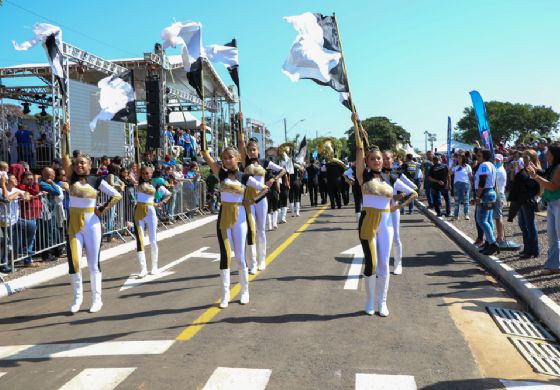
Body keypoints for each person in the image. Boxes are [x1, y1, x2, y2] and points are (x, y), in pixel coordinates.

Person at [200, 122, 270, 308]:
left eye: (230, 157)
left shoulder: (245, 177)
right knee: (225, 255)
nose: (226, 160)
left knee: (240, 256)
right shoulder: (220, 174)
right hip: (223, 217)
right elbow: (205, 155)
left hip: (240, 217)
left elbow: (264, 189)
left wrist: (251, 201)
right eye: (224, 158)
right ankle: (225, 294)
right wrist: (202, 133)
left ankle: (244, 290)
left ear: (238, 159)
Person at [61, 122, 122, 313]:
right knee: (75, 261)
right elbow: (64, 157)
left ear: (89, 165)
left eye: (83, 163)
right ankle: (77, 299)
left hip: (92, 224)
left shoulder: (97, 180)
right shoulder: (70, 177)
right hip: (73, 225)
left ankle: (97, 299)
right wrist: (66, 136)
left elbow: (117, 195)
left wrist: (101, 209)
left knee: (93, 263)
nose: (79, 165)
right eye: (77, 162)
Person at [352, 113, 408, 317]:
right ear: (367, 161)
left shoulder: (388, 177)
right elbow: (359, 149)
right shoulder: (362, 176)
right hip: (368, 222)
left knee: (384, 263)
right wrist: (356, 126)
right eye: (373, 158)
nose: (377, 160)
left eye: (379, 158)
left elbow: (397, 198)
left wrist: (398, 204)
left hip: (387, 223)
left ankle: (382, 302)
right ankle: (369, 299)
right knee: (371, 263)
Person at [238, 127, 283, 274]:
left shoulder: (265, 162)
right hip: (248, 200)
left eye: (254, 149)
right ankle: (252, 262)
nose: (252, 151)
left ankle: (262, 259)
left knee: (261, 230)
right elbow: (240, 142)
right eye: (249, 149)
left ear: (258, 150)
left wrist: (272, 180)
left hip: (262, 199)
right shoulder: (244, 163)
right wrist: (239, 123)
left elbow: (283, 170)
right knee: (251, 231)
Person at [381, 150, 418, 275]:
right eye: (383, 158)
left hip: (392, 210)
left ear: (393, 160)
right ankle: (382, 265)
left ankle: (398, 264)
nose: (385, 161)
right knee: (379, 238)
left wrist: (400, 201)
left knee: (395, 238)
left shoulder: (397, 175)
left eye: (388, 158)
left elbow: (414, 190)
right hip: (379, 211)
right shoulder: (375, 175)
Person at [527, 144, 560, 274]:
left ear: (554, 154)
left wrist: (535, 176)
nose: (546, 155)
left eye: (548, 153)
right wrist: (536, 172)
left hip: (558, 203)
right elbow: (547, 179)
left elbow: (553, 187)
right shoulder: (553, 167)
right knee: (552, 236)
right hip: (552, 204)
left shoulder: (559, 167)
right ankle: (553, 265)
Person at [133, 166, 171, 278]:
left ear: (151, 174)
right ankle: (143, 269)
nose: (145, 175)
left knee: (153, 240)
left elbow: (168, 194)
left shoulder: (156, 185)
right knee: (140, 240)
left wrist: (161, 203)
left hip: (151, 212)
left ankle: (154, 266)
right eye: (143, 173)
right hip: (138, 211)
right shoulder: (139, 184)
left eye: (147, 173)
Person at [508, 150, 541, 259]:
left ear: (531, 158)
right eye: (523, 157)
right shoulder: (523, 168)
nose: (524, 159)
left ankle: (534, 250)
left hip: (528, 200)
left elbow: (538, 185)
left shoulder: (535, 169)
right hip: (521, 199)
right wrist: (514, 170)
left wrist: (537, 196)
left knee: (530, 225)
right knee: (523, 225)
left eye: (526, 157)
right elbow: (514, 180)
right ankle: (527, 248)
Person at [0, 174, 28, 273]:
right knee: (4, 243)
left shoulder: (16, 189)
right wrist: (16, 194)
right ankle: (3, 264)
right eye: (13, 178)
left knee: (9, 243)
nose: (16, 179)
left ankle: (7, 263)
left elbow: (27, 195)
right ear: (6, 181)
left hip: (13, 221)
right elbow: (6, 199)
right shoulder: (1, 190)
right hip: (3, 222)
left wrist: (24, 195)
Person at [474, 149, 499, 255]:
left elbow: (482, 181)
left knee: (481, 220)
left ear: (484, 156)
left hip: (485, 193)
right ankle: (489, 242)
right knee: (488, 219)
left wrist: (478, 196)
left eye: (479, 156)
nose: (477, 158)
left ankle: (492, 243)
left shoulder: (484, 165)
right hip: (490, 193)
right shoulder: (491, 165)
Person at [18, 171, 42, 268]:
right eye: (28, 179)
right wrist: (36, 181)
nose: (30, 181)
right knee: (29, 239)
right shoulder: (21, 187)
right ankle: (27, 261)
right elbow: (36, 191)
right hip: (27, 216)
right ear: (23, 179)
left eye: (31, 179)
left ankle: (29, 259)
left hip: (33, 215)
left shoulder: (29, 187)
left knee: (31, 238)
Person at [451, 154, 473, 220]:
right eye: (458, 158)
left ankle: (466, 214)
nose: (458, 159)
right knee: (457, 200)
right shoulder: (456, 166)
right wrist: (452, 166)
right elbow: (450, 173)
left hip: (465, 185)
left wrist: (472, 184)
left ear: (463, 159)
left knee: (466, 200)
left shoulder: (468, 166)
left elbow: (470, 176)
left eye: (459, 158)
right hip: (457, 185)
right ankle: (456, 215)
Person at [493, 154, 508, 245]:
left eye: (498, 160)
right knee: (497, 216)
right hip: (498, 193)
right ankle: (499, 236)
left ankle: (500, 237)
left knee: (498, 217)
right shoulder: (497, 169)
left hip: (499, 194)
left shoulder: (500, 171)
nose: (496, 162)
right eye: (495, 160)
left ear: (502, 161)